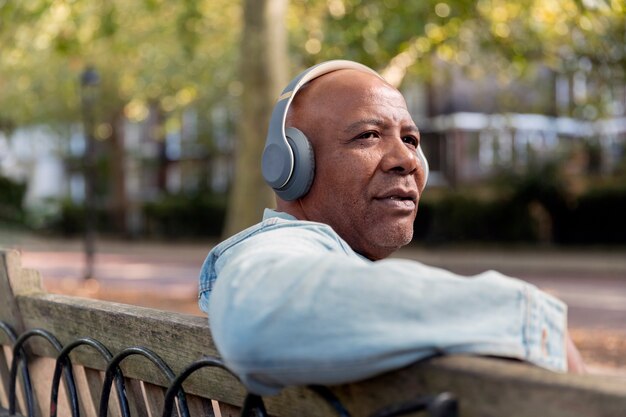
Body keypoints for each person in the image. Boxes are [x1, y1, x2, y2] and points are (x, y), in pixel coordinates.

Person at [199, 60, 584, 396]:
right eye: (368, 135)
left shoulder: (333, 269)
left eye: (411, 139)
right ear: (290, 165)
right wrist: (526, 318)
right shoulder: (279, 247)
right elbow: (259, 317)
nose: (407, 160)